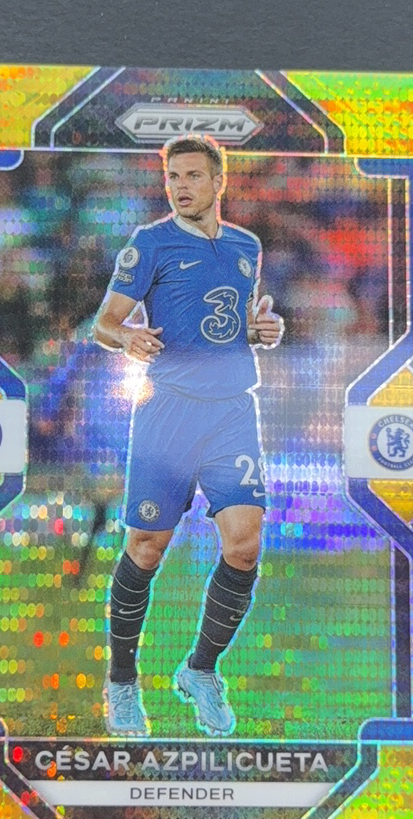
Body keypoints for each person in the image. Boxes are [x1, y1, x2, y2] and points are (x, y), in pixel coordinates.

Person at [92, 135, 284, 736]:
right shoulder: (149, 244)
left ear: (218, 182)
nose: (180, 186)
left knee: (244, 546)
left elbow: (228, 325)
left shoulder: (246, 247)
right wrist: (127, 337)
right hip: (169, 411)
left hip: (232, 412)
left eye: (193, 176)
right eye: (173, 176)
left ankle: (200, 670)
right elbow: (104, 323)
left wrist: (260, 330)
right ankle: (122, 682)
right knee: (147, 547)